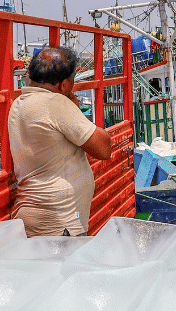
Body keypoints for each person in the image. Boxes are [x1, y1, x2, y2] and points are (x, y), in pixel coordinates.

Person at [8, 46, 111, 236]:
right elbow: (103, 148)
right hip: (58, 222)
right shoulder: (56, 103)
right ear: (64, 85)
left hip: (29, 214)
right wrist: (76, 110)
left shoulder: (18, 104)